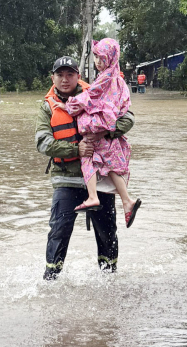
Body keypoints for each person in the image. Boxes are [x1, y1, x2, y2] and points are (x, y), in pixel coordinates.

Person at [35, 55, 135, 280]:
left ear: (78, 77)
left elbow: (127, 118)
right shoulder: (48, 107)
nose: (65, 79)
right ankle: (51, 279)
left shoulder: (98, 93)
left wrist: (105, 131)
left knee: (108, 232)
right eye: (60, 75)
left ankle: (110, 278)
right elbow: (42, 142)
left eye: (70, 74)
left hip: (100, 178)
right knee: (59, 231)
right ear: (53, 78)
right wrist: (75, 150)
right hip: (66, 179)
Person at [60, 39, 141, 227]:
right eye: (95, 57)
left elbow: (88, 98)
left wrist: (67, 105)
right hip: (109, 129)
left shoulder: (104, 79)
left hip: (100, 126)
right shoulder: (119, 80)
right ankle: (127, 200)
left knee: (87, 156)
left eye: (101, 58)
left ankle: (93, 196)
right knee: (110, 166)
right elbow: (124, 106)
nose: (97, 61)